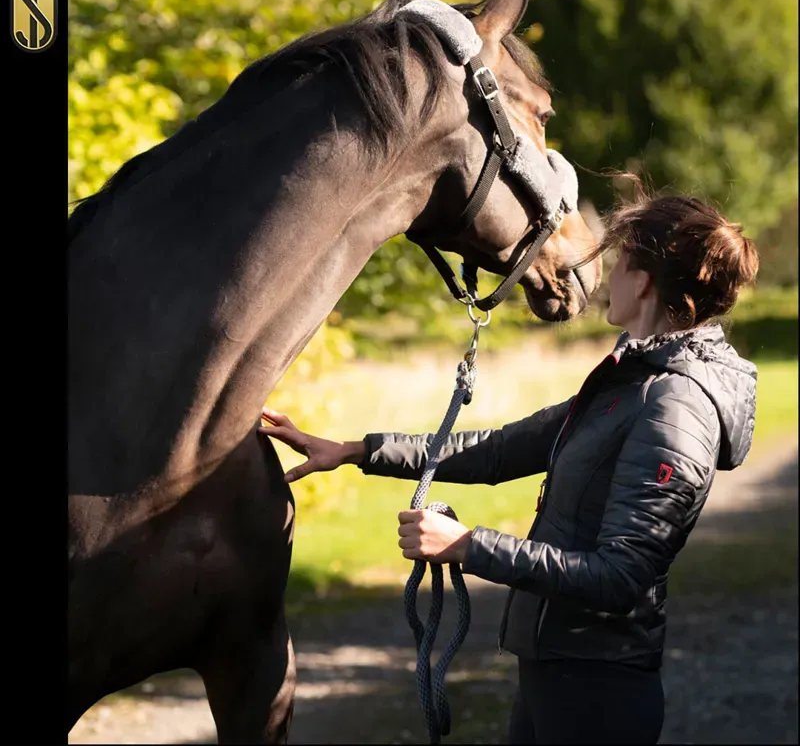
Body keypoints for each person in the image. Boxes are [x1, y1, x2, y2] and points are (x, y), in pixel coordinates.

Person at [258, 187, 760, 744]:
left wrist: (469, 545)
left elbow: (621, 578)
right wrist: (355, 451)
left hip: (596, 692)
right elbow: (499, 450)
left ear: (641, 280)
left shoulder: (675, 405)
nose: (605, 278)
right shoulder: (635, 379)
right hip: (559, 676)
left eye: (617, 262)